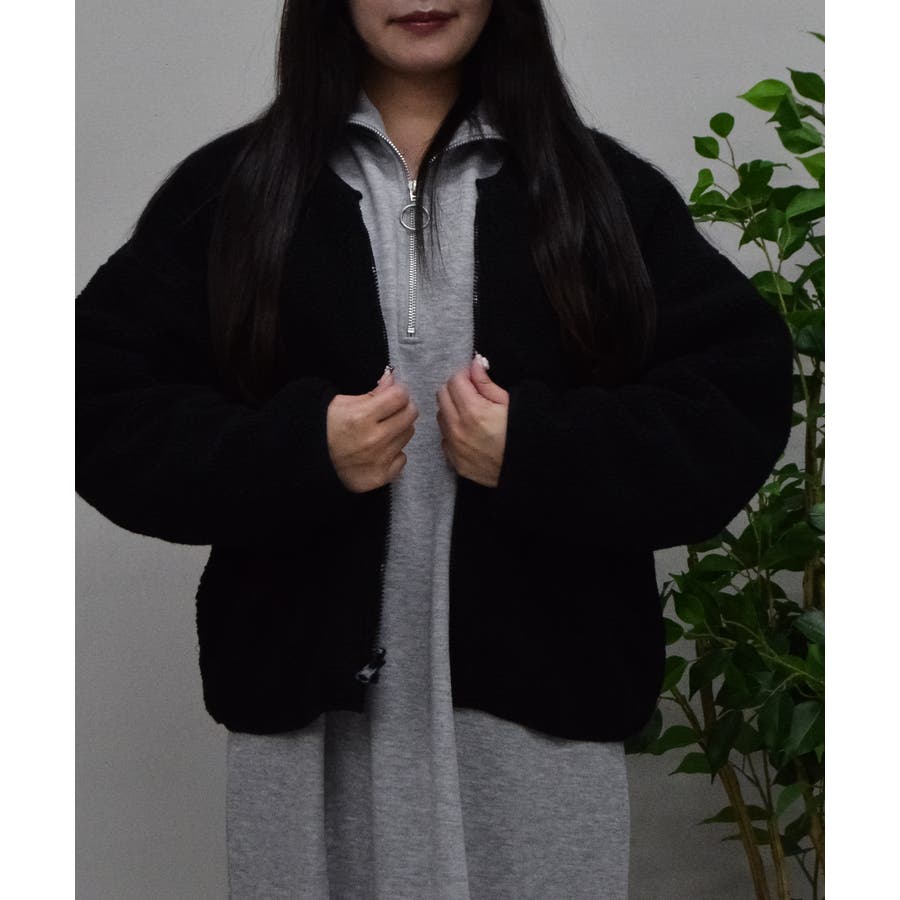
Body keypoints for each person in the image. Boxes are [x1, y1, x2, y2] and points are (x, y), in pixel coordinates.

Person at [75, 1, 795, 897]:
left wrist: (540, 450)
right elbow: (95, 403)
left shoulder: (600, 193)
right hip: (310, 732)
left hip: (539, 725)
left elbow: (736, 399)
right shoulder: (235, 192)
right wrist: (298, 452)